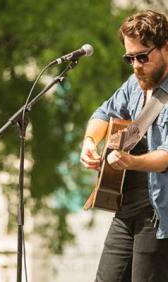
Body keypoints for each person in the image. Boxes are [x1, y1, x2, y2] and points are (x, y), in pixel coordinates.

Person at [80, 10, 168, 282]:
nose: (136, 65)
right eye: (129, 58)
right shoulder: (134, 84)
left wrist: (131, 162)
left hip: (157, 215)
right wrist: (89, 142)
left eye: (143, 56)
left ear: (166, 47)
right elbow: (104, 114)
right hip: (124, 208)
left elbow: (166, 157)